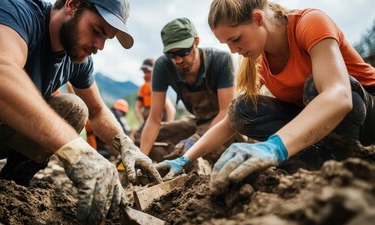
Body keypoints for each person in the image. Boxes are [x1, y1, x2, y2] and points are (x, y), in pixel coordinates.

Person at [0, 0, 162, 225]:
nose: (99, 45)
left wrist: (126, 145)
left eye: (106, 38)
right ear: (72, 5)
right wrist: (78, 151)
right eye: (97, 31)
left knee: (74, 107)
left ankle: (11, 191)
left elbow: (98, 112)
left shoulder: (77, 58)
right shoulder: (16, 10)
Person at [159, 0, 375, 193]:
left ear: (258, 18)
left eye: (235, 39)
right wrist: (184, 159)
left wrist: (274, 146)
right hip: (325, 127)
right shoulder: (257, 57)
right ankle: (316, 161)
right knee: (242, 108)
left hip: (366, 115)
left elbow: (338, 96)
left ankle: (352, 160)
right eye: (227, 44)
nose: (233, 50)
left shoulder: (310, 22)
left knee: (314, 87)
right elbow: (230, 121)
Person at [139, 17, 240, 166]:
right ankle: (178, 161)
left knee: (221, 141)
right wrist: (142, 159)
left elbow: (226, 112)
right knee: (142, 137)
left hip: (225, 124)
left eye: (183, 52)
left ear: (196, 42)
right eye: (172, 55)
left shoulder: (221, 60)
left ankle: (195, 159)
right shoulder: (163, 65)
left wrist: (197, 140)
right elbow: (154, 120)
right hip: (197, 122)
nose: (178, 60)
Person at [134, 58, 176, 125]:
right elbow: (137, 108)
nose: (145, 75)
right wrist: (141, 121)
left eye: (148, 72)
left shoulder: (158, 87)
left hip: (161, 121)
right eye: (144, 72)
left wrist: (168, 125)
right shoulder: (143, 88)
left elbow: (170, 109)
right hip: (147, 120)